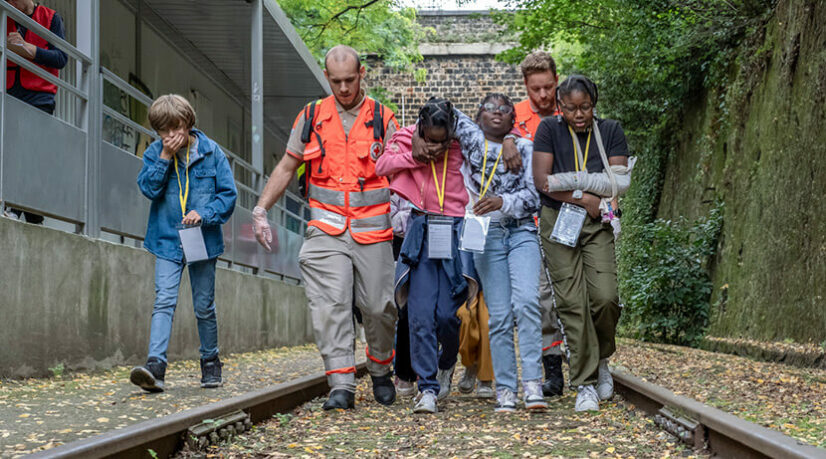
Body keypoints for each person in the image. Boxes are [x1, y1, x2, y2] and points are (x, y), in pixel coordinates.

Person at [252, 45, 399, 410]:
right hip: (326, 229)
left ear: (362, 74)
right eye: (336, 81)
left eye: (350, 80)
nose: (344, 88)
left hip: (373, 231)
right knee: (330, 304)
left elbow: (400, 175)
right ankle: (341, 384)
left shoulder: (383, 118)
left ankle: (380, 368)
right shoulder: (312, 117)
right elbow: (288, 166)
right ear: (327, 77)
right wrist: (260, 209)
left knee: (379, 307)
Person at [532, 75, 629, 412]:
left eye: (585, 107)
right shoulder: (548, 130)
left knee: (604, 297)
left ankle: (602, 357)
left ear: (594, 103)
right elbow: (542, 181)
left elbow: (618, 181)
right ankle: (585, 383)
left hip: (596, 221)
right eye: (571, 108)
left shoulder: (611, 131)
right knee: (571, 302)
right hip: (558, 221)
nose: (579, 114)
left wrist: (587, 194)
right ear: (560, 107)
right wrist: (582, 194)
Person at [131, 94, 237, 392]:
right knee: (163, 301)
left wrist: (203, 213)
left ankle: (210, 362)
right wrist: (164, 158)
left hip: (201, 239)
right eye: (164, 131)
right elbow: (149, 189)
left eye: (176, 128)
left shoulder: (211, 152)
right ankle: (155, 366)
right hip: (166, 239)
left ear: (188, 123)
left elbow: (228, 197)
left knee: (203, 306)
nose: (171, 136)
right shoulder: (155, 153)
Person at [376, 98, 469, 414]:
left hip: (456, 230)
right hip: (422, 228)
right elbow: (382, 166)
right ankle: (427, 387)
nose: (435, 147)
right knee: (418, 314)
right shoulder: (407, 137)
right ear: (420, 131)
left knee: (447, 314)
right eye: (429, 139)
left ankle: (447, 363)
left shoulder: (462, 139)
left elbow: (487, 137)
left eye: (441, 142)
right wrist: (414, 154)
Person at [462, 93, 546, 412]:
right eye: (490, 109)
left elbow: (535, 196)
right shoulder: (467, 149)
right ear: (478, 115)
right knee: (498, 316)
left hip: (521, 230)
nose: (497, 113)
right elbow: (441, 118)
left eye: (504, 110)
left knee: (526, 302)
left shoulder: (525, 148)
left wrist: (503, 202)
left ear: (513, 118)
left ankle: (533, 385)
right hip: (486, 236)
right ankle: (506, 390)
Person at [514, 51, 566, 397]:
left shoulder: (575, 110)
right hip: (530, 219)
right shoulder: (512, 117)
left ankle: (593, 363)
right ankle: (553, 369)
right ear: (525, 87)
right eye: (536, 89)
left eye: (548, 87)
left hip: (571, 212)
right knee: (540, 297)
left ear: (556, 81)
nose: (543, 96)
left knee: (576, 294)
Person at [3, 0, 68, 224]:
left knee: (32, 152)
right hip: (10, 91)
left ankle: (19, 209)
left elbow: (61, 58)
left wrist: (29, 50)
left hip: (40, 94)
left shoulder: (51, 18)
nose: (10, 3)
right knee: (13, 150)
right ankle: (29, 212)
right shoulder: (5, 14)